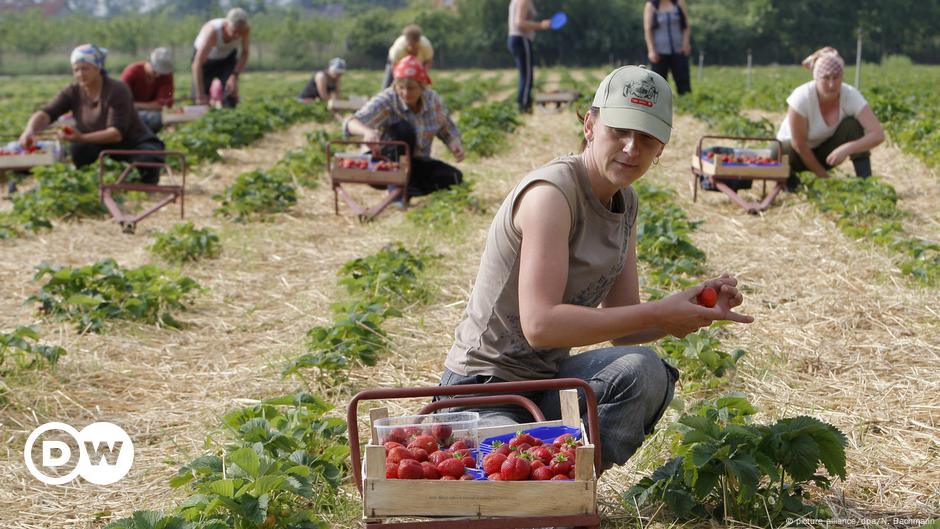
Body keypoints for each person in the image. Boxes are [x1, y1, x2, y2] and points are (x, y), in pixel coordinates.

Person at [436, 66, 754, 470]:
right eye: (619, 130)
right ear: (589, 124)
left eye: (646, 137)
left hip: (546, 382)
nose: (630, 148)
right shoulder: (551, 195)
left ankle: (566, 480)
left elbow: (627, 329)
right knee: (516, 465)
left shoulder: (626, 202)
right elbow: (540, 325)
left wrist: (689, 310)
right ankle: (553, 484)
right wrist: (660, 312)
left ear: (662, 148)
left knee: (646, 371)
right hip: (481, 390)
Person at [18, 44, 165, 184]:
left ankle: (141, 183)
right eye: (76, 70)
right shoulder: (73, 91)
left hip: (133, 144)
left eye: (85, 69)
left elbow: (116, 133)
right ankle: (94, 180)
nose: (80, 74)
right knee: (79, 150)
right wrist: (30, 131)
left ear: (97, 68)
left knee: (147, 161)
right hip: (99, 145)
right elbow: (46, 113)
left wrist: (81, 137)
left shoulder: (117, 90)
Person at [345, 56, 464, 199]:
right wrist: (367, 132)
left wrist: (454, 143)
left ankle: (407, 190)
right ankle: (396, 189)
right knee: (403, 129)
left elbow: (446, 129)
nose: (406, 93)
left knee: (454, 177)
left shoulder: (433, 101)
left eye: (411, 88)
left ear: (422, 86)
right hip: (385, 164)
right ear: (395, 85)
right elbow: (350, 122)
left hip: (415, 163)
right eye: (401, 87)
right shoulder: (387, 99)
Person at [775, 49, 885, 190]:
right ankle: (794, 187)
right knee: (775, 151)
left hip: (826, 153)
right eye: (826, 78)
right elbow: (799, 144)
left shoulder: (850, 95)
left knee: (852, 125)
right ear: (816, 78)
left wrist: (847, 148)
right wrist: (825, 179)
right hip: (796, 155)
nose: (832, 84)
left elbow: (878, 134)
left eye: (836, 77)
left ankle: (866, 185)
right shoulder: (802, 97)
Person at [192, 8, 251, 108]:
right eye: (234, 31)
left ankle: (230, 118)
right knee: (200, 100)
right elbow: (197, 63)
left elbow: (245, 53)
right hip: (206, 62)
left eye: (240, 33)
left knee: (230, 93)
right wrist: (200, 94)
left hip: (227, 59)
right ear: (227, 25)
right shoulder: (212, 31)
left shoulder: (245, 29)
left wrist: (234, 76)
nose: (237, 36)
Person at [507, 0, 552, 113]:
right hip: (521, 39)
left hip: (515, 39)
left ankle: (523, 103)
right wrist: (541, 25)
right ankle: (524, 105)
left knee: (524, 75)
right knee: (527, 76)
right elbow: (520, 23)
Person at [120, 47, 174, 134]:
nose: (158, 75)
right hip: (131, 113)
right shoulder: (132, 72)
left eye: (161, 72)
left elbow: (162, 104)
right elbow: (122, 102)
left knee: (159, 118)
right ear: (148, 62)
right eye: (155, 71)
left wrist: (136, 105)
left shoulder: (166, 76)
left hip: (154, 114)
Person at [644, 0, 692, 95]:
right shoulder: (651, 6)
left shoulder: (679, 3)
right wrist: (651, 50)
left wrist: (686, 43)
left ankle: (686, 102)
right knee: (658, 85)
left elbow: (686, 26)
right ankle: (659, 107)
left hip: (679, 50)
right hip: (659, 52)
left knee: (683, 81)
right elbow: (648, 29)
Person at [381, 25, 433, 90]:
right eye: (411, 45)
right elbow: (394, 66)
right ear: (407, 42)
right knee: (388, 86)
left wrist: (422, 75)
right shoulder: (398, 49)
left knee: (422, 87)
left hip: (418, 65)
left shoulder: (426, 46)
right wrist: (398, 82)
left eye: (415, 46)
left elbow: (428, 61)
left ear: (419, 42)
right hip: (397, 64)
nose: (412, 48)